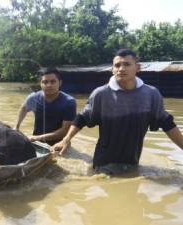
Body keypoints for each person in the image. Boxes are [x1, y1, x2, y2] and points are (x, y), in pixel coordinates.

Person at [53, 49, 183, 175]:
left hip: (133, 162)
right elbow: (82, 118)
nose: (121, 69)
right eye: (117, 65)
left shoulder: (151, 94)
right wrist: (66, 139)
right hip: (103, 164)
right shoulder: (101, 94)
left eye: (127, 64)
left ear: (138, 67)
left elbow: (167, 123)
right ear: (112, 70)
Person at [14, 68, 76, 145]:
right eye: (45, 82)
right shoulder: (34, 98)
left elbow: (64, 131)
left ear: (60, 83)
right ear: (40, 84)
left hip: (59, 143)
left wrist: (36, 137)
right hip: (37, 142)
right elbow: (23, 108)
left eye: (53, 81)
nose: (49, 85)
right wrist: (17, 127)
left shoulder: (69, 102)